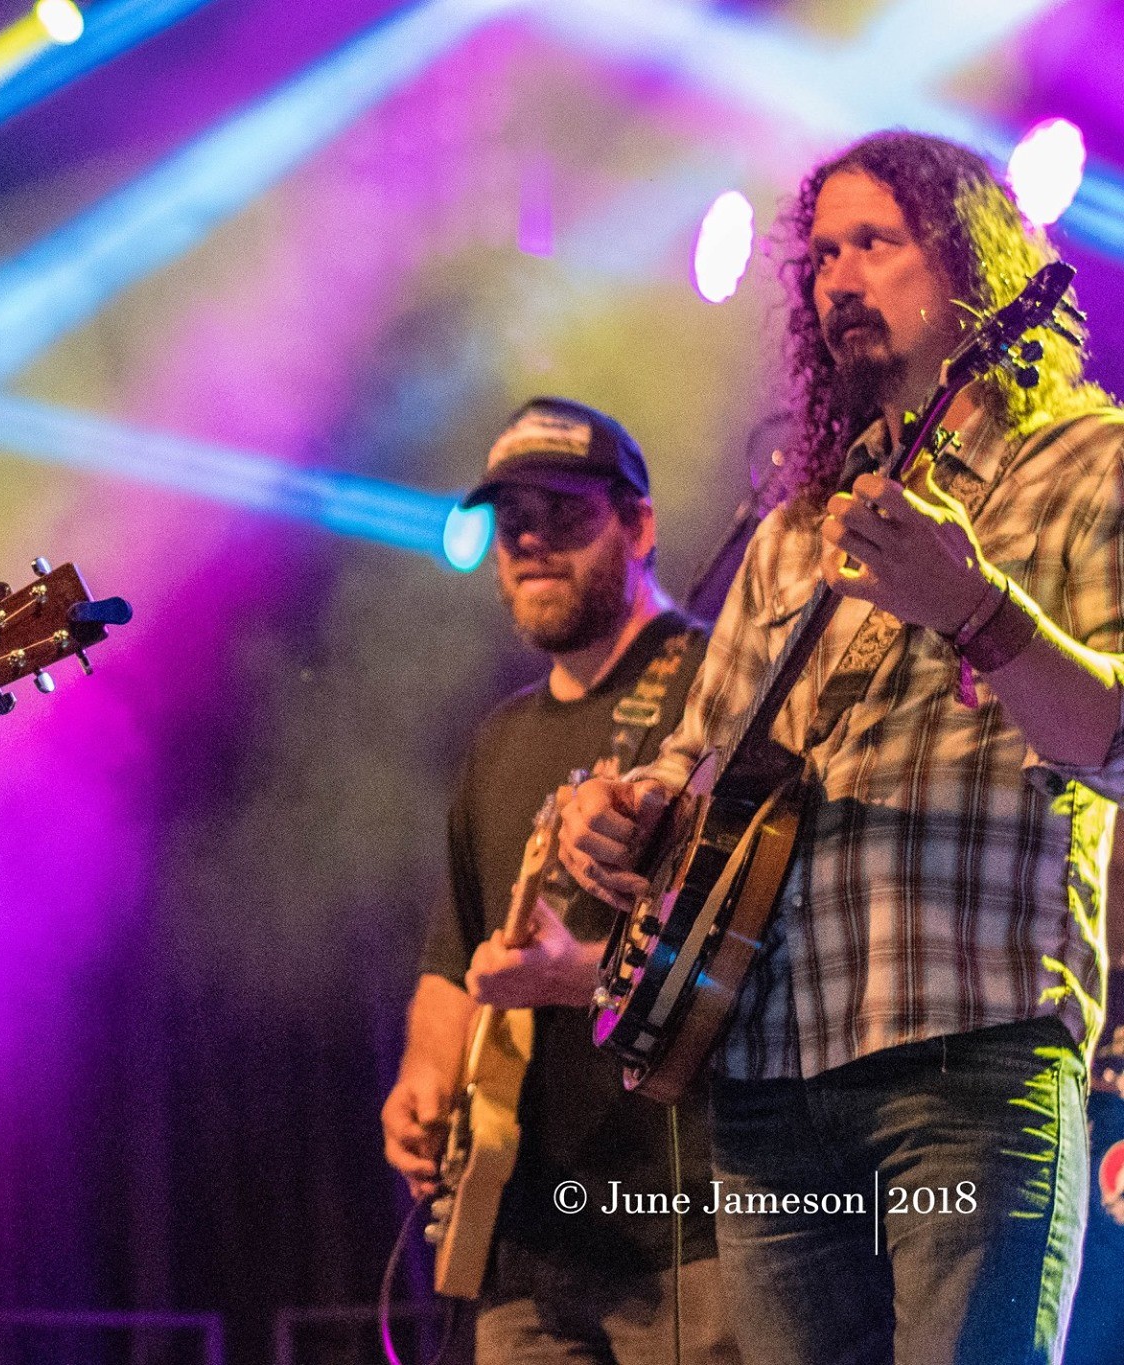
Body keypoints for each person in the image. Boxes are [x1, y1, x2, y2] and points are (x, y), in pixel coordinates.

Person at [558, 131, 1123, 1365]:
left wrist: (978, 610)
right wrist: (631, 812)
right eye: (817, 254)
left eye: (873, 241)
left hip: (966, 1051)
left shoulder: (1091, 463)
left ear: (973, 258)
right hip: (764, 1071)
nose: (833, 279)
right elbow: (703, 763)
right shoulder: (792, 533)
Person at [382, 398, 736, 1363]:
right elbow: (455, 958)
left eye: (564, 513)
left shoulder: (716, 693)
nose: (531, 540)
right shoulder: (497, 741)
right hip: (523, 1252)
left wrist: (582, 973)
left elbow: (760, 954)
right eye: (510, 523)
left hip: (692, 1233)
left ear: (640, 523)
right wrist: (424, 1084)